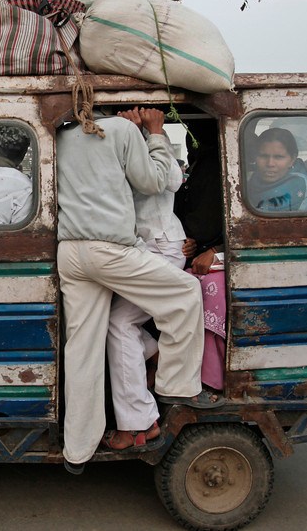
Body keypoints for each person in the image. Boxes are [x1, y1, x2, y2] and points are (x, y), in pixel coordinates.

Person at [56, 107, 212, 474]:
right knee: (186, 292)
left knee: (82, 349)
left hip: (70, 251)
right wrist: (153, 135)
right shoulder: (122, 131)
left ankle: (78, 449)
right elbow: (157, 181)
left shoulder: (61, 136)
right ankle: (175, 384)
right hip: (111, 249)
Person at [103, 107, 213, 452]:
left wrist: (153, 132)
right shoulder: (116, 145)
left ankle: (138, 421)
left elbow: (168, 181)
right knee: (117, 323)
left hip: (161, 247)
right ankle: (150, 365)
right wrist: (129, 132)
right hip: (141, 248)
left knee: (119, 324)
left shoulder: (155, 145)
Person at [175, 120, 227, 393]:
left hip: (209, 254)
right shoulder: (198, 167)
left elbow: (206, 221)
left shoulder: (211, 168)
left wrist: (211, 249)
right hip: (195, 247)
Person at [246, 128, 307, 212]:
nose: (270, 163)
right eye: (263, 156)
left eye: (278, 157)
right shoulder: (250, 180)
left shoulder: (303, 190)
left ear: (292, 159)